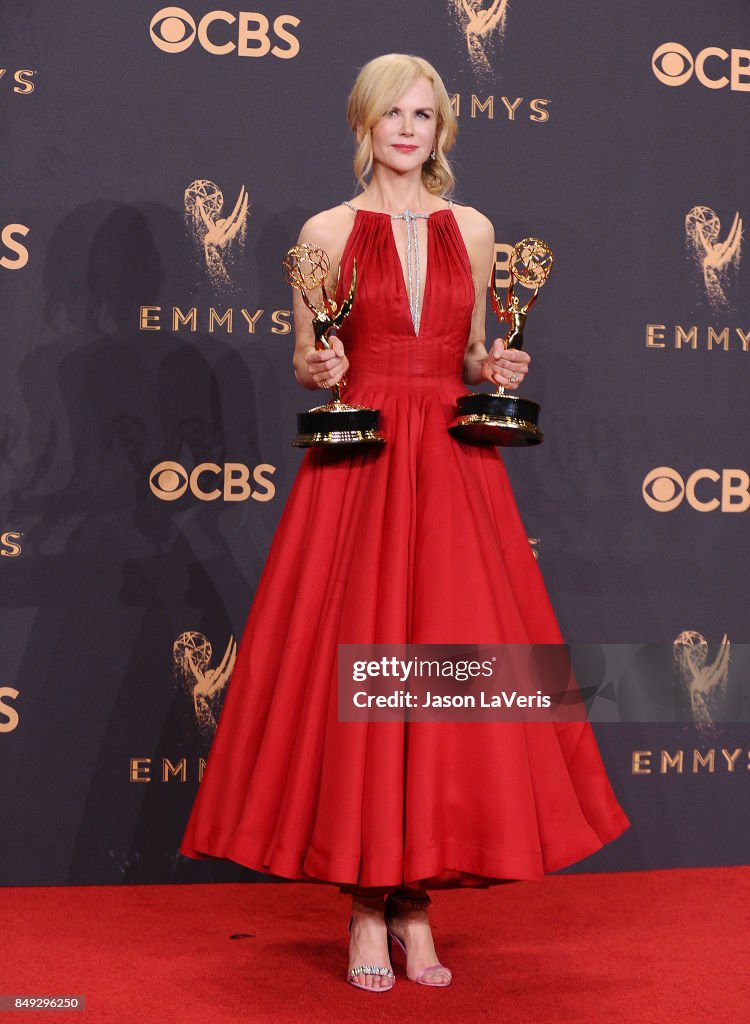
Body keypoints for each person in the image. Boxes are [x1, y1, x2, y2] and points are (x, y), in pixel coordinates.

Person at [179, 52, 630, 993]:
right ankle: (363, 905)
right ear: (364, 123)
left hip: (453, 463)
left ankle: (416, 905)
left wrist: (495, 368)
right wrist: (321, 369)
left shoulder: (475, 229)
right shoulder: (324, 232)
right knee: (361, 667)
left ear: (442, 128)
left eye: (424, 115)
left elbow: (469, 353)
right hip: (362, 462)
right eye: (393, 113)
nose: (408, 129)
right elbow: (306, 357)